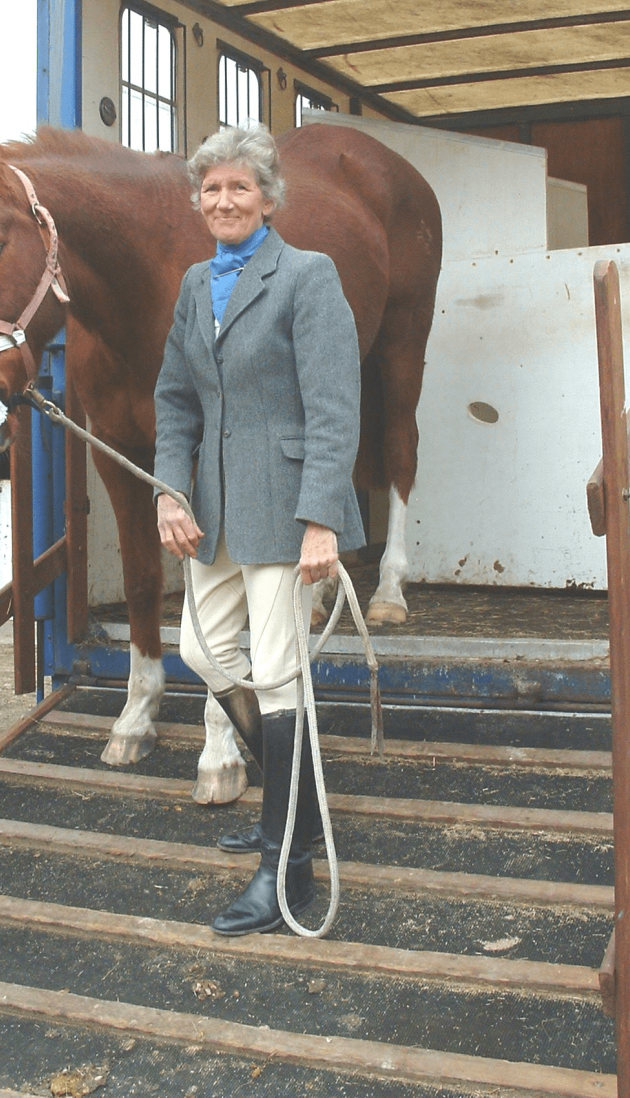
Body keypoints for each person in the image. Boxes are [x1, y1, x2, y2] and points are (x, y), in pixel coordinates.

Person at [154, 122, 364, 935]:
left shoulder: (308, 276)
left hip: (285, 507)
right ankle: (297, 808)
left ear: (269, 199)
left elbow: (334, 406)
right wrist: (170, 493)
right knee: (204, 652)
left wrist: (321, 521)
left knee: (278, 673)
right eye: (211, 189)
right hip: (210, 510)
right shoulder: (192, 284)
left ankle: (287, 871)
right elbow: (176, 398)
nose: (224, 200)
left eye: (239, 187)